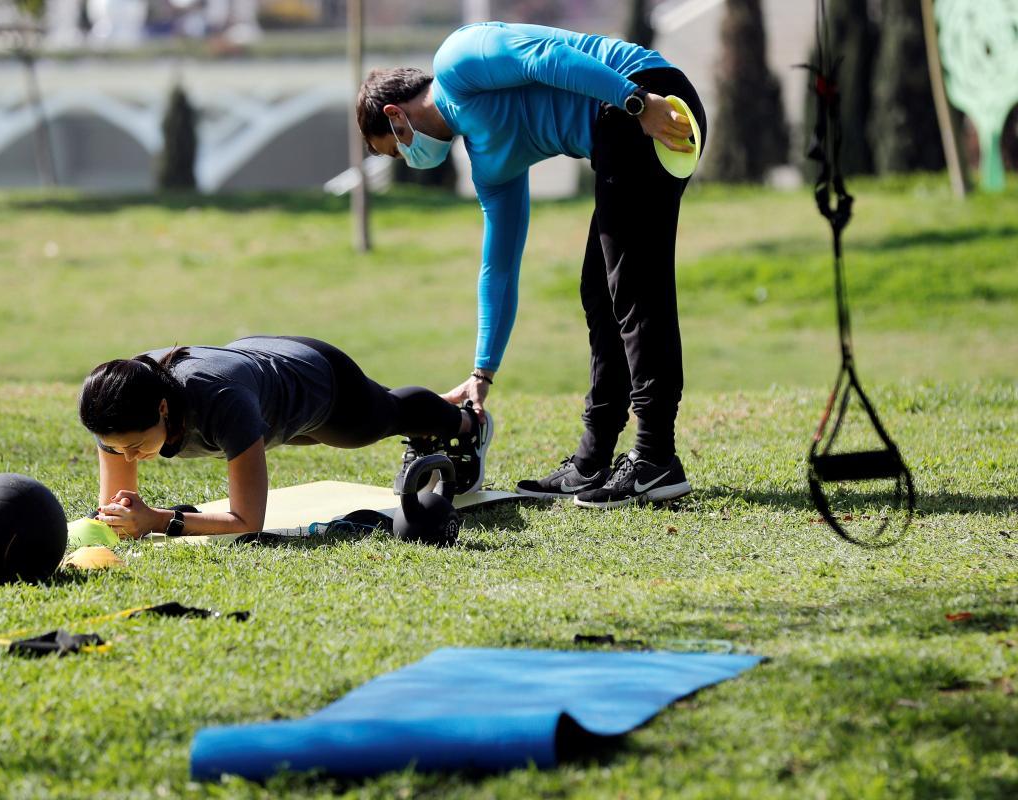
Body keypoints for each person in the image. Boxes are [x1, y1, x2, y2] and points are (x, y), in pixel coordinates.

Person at [356, 22, 705, 509]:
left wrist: (637, 102)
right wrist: (482, 373)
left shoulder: (457, 60)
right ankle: (593, 459)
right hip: (621, 124)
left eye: (395, 149)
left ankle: (655, 458)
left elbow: (547, 57)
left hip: (647, 94)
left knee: (633, 287)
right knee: (600, 292)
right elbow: (498, 266)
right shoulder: (488, 161)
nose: (407, 159)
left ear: (396, 115)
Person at [80, 336, 492, 539]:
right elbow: (113, 507)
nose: (126, 457)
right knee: (380, 409)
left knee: (384, 416)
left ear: (163, 409)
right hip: (260, 379)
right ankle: (437, 421)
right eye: (115, 448)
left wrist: (158, 520)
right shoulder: (114, 404)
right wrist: (121, 516)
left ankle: (467, 424)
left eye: (134, 447)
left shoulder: (222, 402)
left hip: (316, 381)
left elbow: (247, 521)